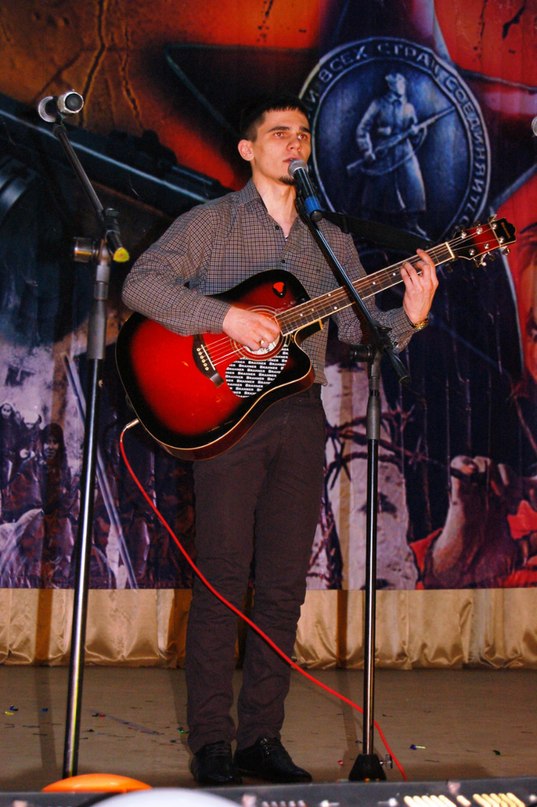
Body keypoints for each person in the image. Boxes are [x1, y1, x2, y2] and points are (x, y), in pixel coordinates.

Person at [121, 93, 438, 786]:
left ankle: (261, 737)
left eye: (302, 133)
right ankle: (212, 741)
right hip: (224, 417)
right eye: (278, 133)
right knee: (221, 576)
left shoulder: (331, 240)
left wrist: (410, 317)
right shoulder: (211, 223)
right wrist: (225, 318)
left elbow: (361, 332)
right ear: (247, 149)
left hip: (300, 414)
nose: (294, 142)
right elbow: (141, 286)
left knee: (284, 585)